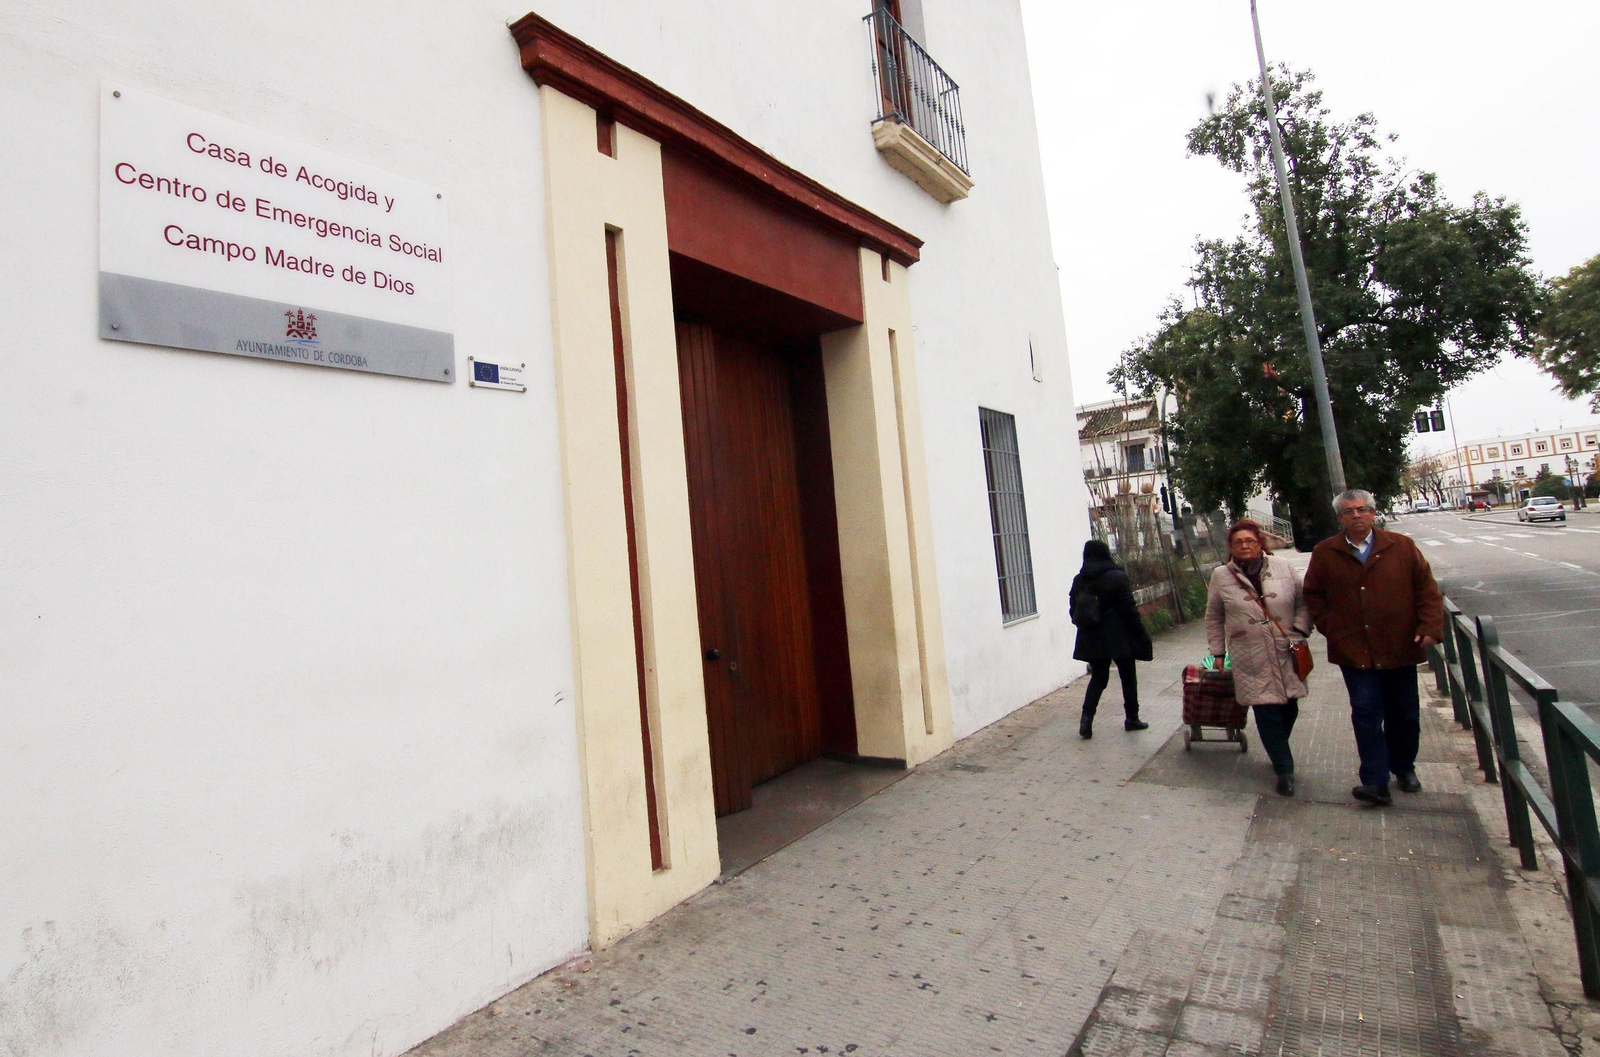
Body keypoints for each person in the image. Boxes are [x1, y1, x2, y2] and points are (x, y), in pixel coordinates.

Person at [1304, 488, 1444, 806]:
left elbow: (1427, 590)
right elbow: (1313, 594)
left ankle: (1404, 767)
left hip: (1399, 645)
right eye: (1349, 511)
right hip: (1355, 650)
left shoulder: (1401, 546)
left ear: (1373, 513)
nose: (1357, 515)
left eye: (1362, 509)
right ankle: (1375, 781)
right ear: (1339, 517)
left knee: (1404, 714)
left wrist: (1429, 627)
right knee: (1366, 714)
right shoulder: (1326, 552)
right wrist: (1332, 628)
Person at [1205, 519, 1312, 797]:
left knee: (1289, 708)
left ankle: (1277, 748)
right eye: (1238, 542)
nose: (1245, 545)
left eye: (1250, 540)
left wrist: (1300, 629)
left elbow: (1303, 601)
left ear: (1259, 543)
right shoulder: (1220, 576)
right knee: (1266, 712)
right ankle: (1284, 769)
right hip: (1249, 654)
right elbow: (1214, 616)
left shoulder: (1283, 567)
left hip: (1286, 648)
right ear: (1231, 547)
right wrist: (1218, 652)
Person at [1071, 539, 1153, 738]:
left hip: (1091, 636)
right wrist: (1140, 632)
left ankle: (1086, 719)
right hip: (1119, 637)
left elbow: (1073, 609)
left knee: (1098, 677)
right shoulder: (1117, 577)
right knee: (1128, 676)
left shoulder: (1080, 580)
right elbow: (1129, 609)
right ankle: (1132, 718)